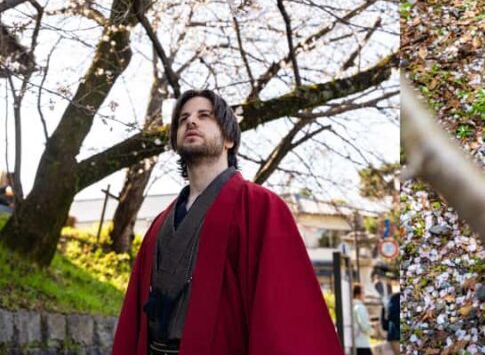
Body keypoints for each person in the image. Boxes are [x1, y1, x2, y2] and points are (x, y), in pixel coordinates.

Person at [111, 89, 343, 355]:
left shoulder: (261, 207)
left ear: (229, 139)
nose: (191, 122)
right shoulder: (160, 223)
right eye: (183, 118)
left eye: (204, 116)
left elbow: (283, 313)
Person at [353, 284, 373, 355]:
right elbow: (364, 326)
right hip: (362, 344)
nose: (364, 295)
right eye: (363, 292)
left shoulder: (350, 306)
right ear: (357, 295)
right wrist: (372, 330)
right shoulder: (360, 307)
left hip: (354, 344)